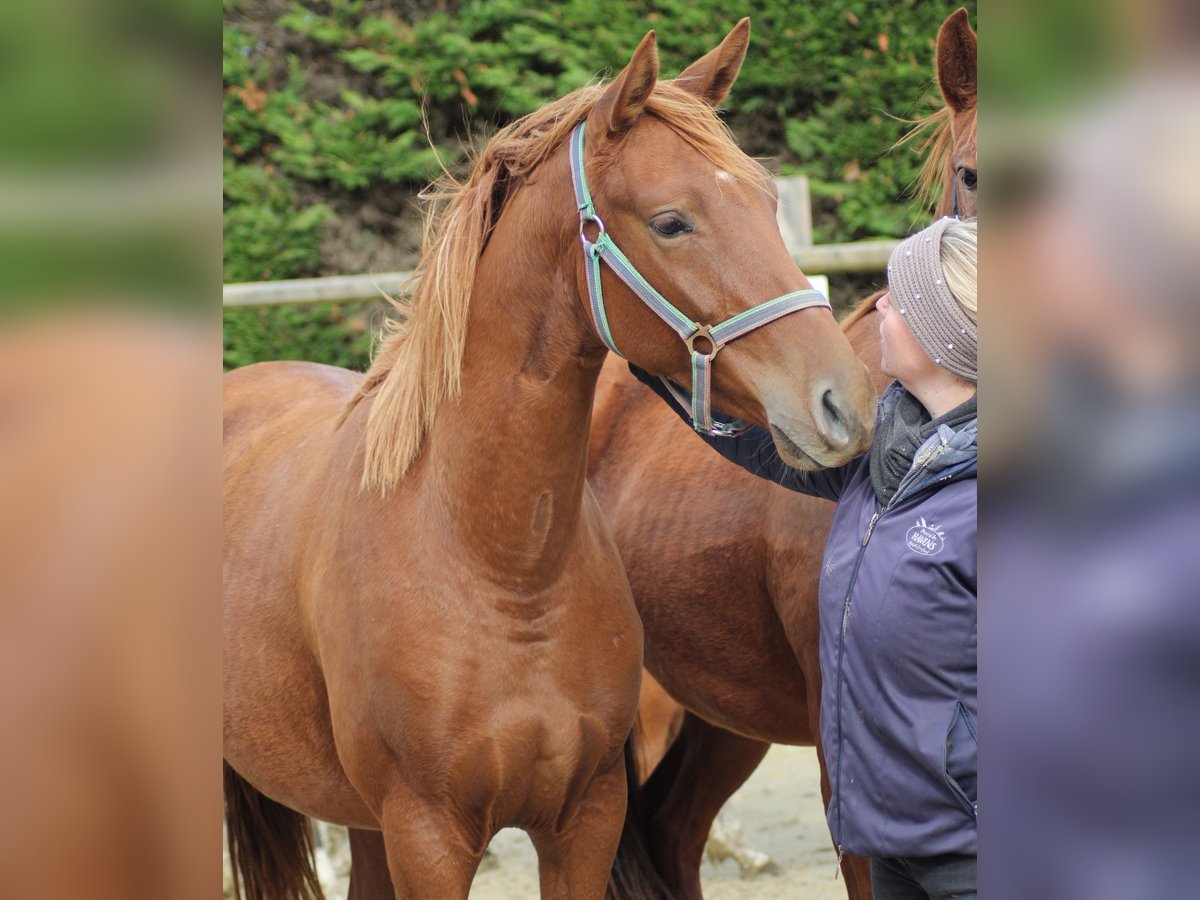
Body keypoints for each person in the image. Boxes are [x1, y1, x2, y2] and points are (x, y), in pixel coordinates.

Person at [631, 216, 978, 900]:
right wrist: (656, 351)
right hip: (891, 838)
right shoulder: (882, 459)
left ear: (943, 335)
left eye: (900, 300)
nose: (878, 305)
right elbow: (754, 441)